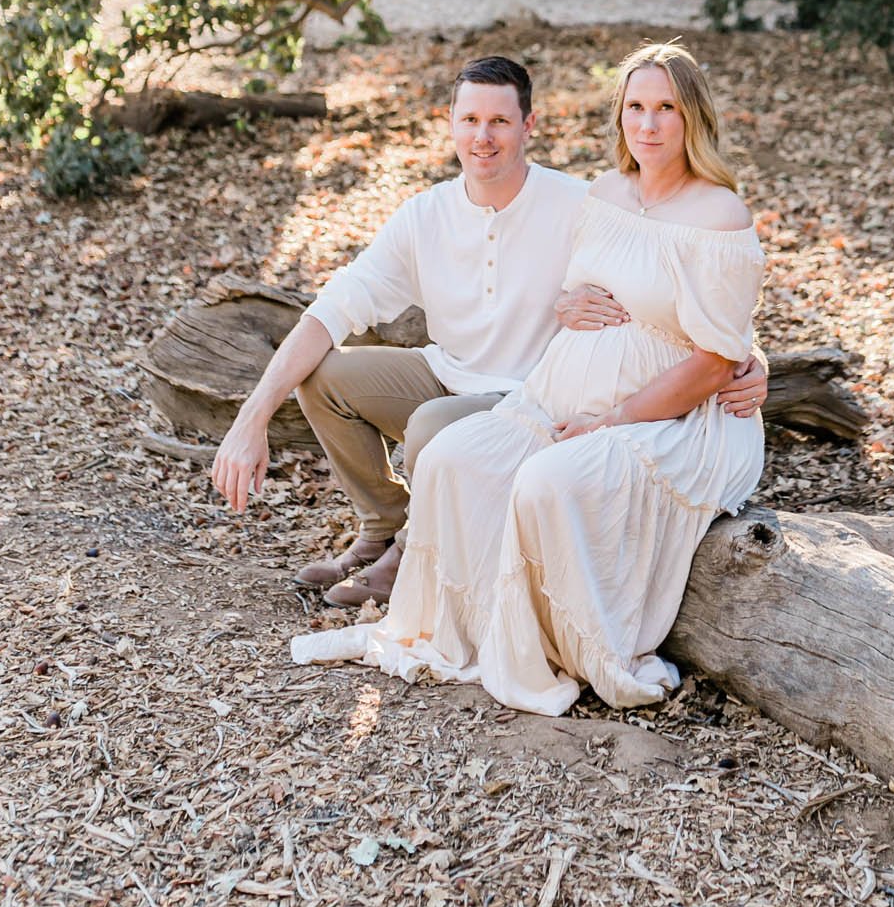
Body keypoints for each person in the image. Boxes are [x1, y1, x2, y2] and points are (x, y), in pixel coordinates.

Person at [292, 41, 767, 716]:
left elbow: (719, 353)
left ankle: (553, 644)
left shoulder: (719, 214)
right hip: (561, 392)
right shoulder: (604, 194)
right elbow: (576, 290)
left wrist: (620, 418)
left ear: (692, 116)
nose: (649, 125)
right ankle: (457, 614)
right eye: (635, 107)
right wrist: (568, 304)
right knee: (454, 457)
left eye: (666, 108)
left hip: (670, 420)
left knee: (546, 479)